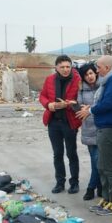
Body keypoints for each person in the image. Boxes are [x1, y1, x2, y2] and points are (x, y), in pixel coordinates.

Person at [86, 55, 112, 215]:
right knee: (102, 166)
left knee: (110, 168)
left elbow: (108, 103)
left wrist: (90, 110)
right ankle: (107, 198)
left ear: (107, 68)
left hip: (111, 129)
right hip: (105, 128)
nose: (96, 70)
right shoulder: (110, 80)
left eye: (98, 67)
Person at [39, 55, 82, 194]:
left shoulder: (77, 80)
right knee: (57, 154)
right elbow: (42, 96)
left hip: (69, 122)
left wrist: (70, 104)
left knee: (71, 153)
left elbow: (81, 102)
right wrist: (48, 104)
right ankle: (60, 182)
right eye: (62, 67)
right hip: (54, 123)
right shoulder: (50, 80)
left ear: (71, 67)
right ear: (56, 68)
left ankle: (74, 183)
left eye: (68, 67)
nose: (65, 69)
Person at [74, 63, 101, 201]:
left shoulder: (103, 86)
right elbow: (78, 107)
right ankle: (99, 186)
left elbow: (104, 105)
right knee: (95, 160)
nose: (89, 77)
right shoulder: (82, 90)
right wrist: (81, 106)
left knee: (100, 161)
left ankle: (92, 187)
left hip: (102, 127)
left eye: (91, 73)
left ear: (96, 73)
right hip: (89, 128)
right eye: (86, 75)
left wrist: (90, 108)